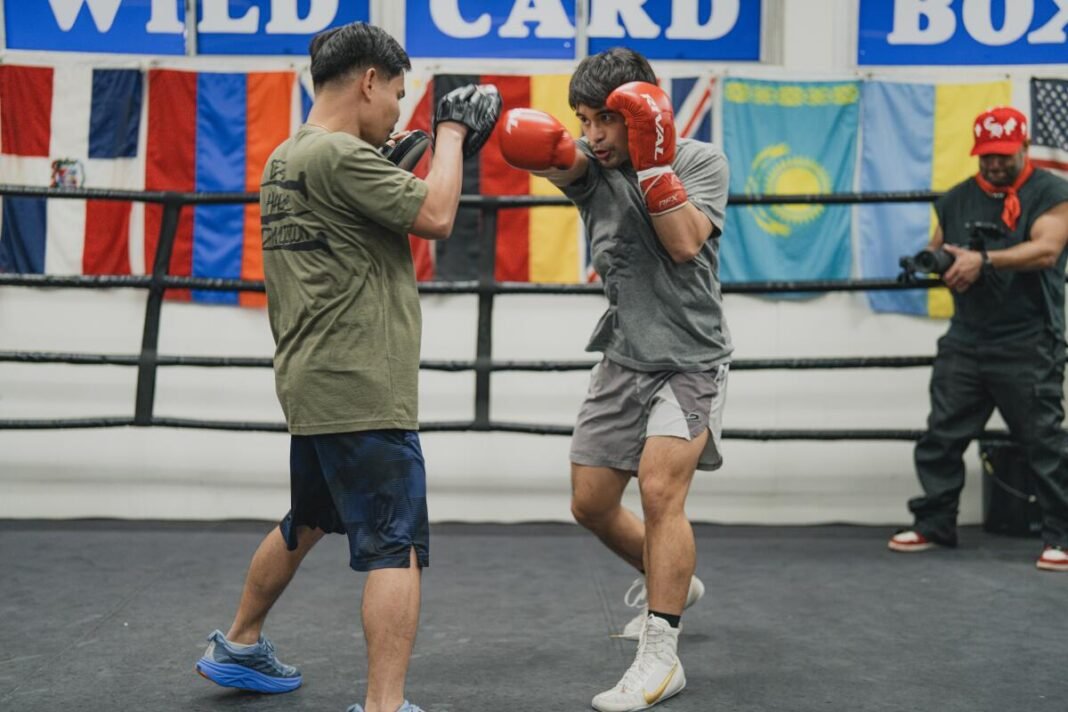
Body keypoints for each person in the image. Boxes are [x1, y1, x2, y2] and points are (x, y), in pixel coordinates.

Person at [193, 22, 500, 712]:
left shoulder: (288, 157)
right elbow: (439, 213)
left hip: (312, 381)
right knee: (397, 546)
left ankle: (239, 643)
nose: (397, 107)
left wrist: (394, 154)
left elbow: (349, 225)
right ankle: (385, 706)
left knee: (306, 521)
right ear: (367, 81)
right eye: (395, 92)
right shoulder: (338, 156)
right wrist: (450, 134)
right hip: (362, 385)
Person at [500, 48, 730, 711]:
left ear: (645, 110)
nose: (593, 134)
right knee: (591, 504)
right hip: (624, 355)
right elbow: (562, 158)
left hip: (689, 359)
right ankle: (672, 583)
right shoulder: (590, 169)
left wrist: (656, 160)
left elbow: (685, 243)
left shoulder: (701, 163)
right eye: (584, 118)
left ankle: (661, 656)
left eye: (607, 118)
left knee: (661, 491)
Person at [889, 106, 1068, 573]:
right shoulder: (956, 198)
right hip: (968, 337)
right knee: (942, 435)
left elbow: (1048, 249)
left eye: (1003, 156)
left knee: (1044, 441)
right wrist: (937, 262)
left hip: (1029, 338)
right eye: (986, 156)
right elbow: (940, 244)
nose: (993, 164)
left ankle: (1062, 536)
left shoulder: (1051, 191)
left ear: (1024, 148)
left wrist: (984, 261)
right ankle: (935, 523)